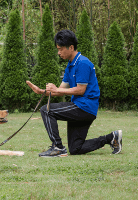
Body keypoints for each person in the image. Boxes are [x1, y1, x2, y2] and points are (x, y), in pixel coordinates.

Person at [26, 29, 122, 157]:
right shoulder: (70, 65)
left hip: (84, 107)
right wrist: (42, 92)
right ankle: (111, 138)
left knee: (46, 110)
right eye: (57, 49)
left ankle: (58, 147)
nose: (58, 53)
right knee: (76, 148)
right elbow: (60, 91)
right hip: (80, 107)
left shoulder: (82, 63)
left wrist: (56, 89)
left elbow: (80, 90)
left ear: (71, 47)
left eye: (60, 49)